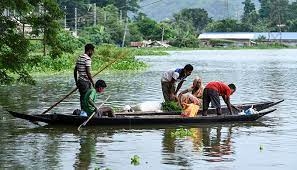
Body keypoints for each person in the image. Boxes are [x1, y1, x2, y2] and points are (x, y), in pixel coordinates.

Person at [74, 44, 96, 109]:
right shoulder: (87, 59)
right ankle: (85, 113)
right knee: (86, 98)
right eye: (92, 51)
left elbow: (75, 71)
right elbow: (88, 73)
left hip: (80, 81)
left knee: (82, 98)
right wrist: (93, 82)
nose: (92, 53)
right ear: (89, 51)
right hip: (85, 82)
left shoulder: (79, 57)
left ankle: (83, 112)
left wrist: (76, 82)